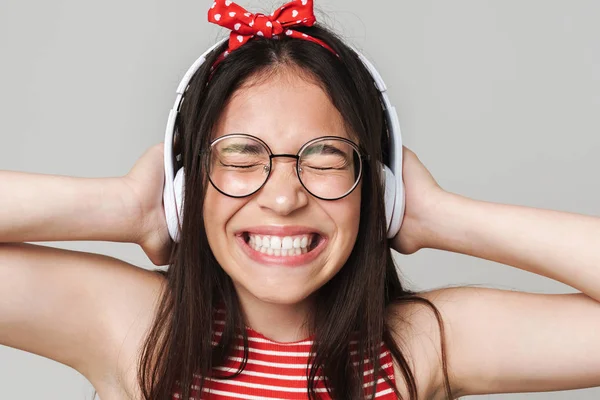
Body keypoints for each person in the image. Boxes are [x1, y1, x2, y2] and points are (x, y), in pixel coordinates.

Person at [1, 0, 600, 399]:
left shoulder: (421, 346)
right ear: (186, 190)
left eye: (325, 159)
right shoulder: (135, 330)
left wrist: (439, 216)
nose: (284, 197)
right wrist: (124, 208)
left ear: (378, 189)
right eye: (241, 157)